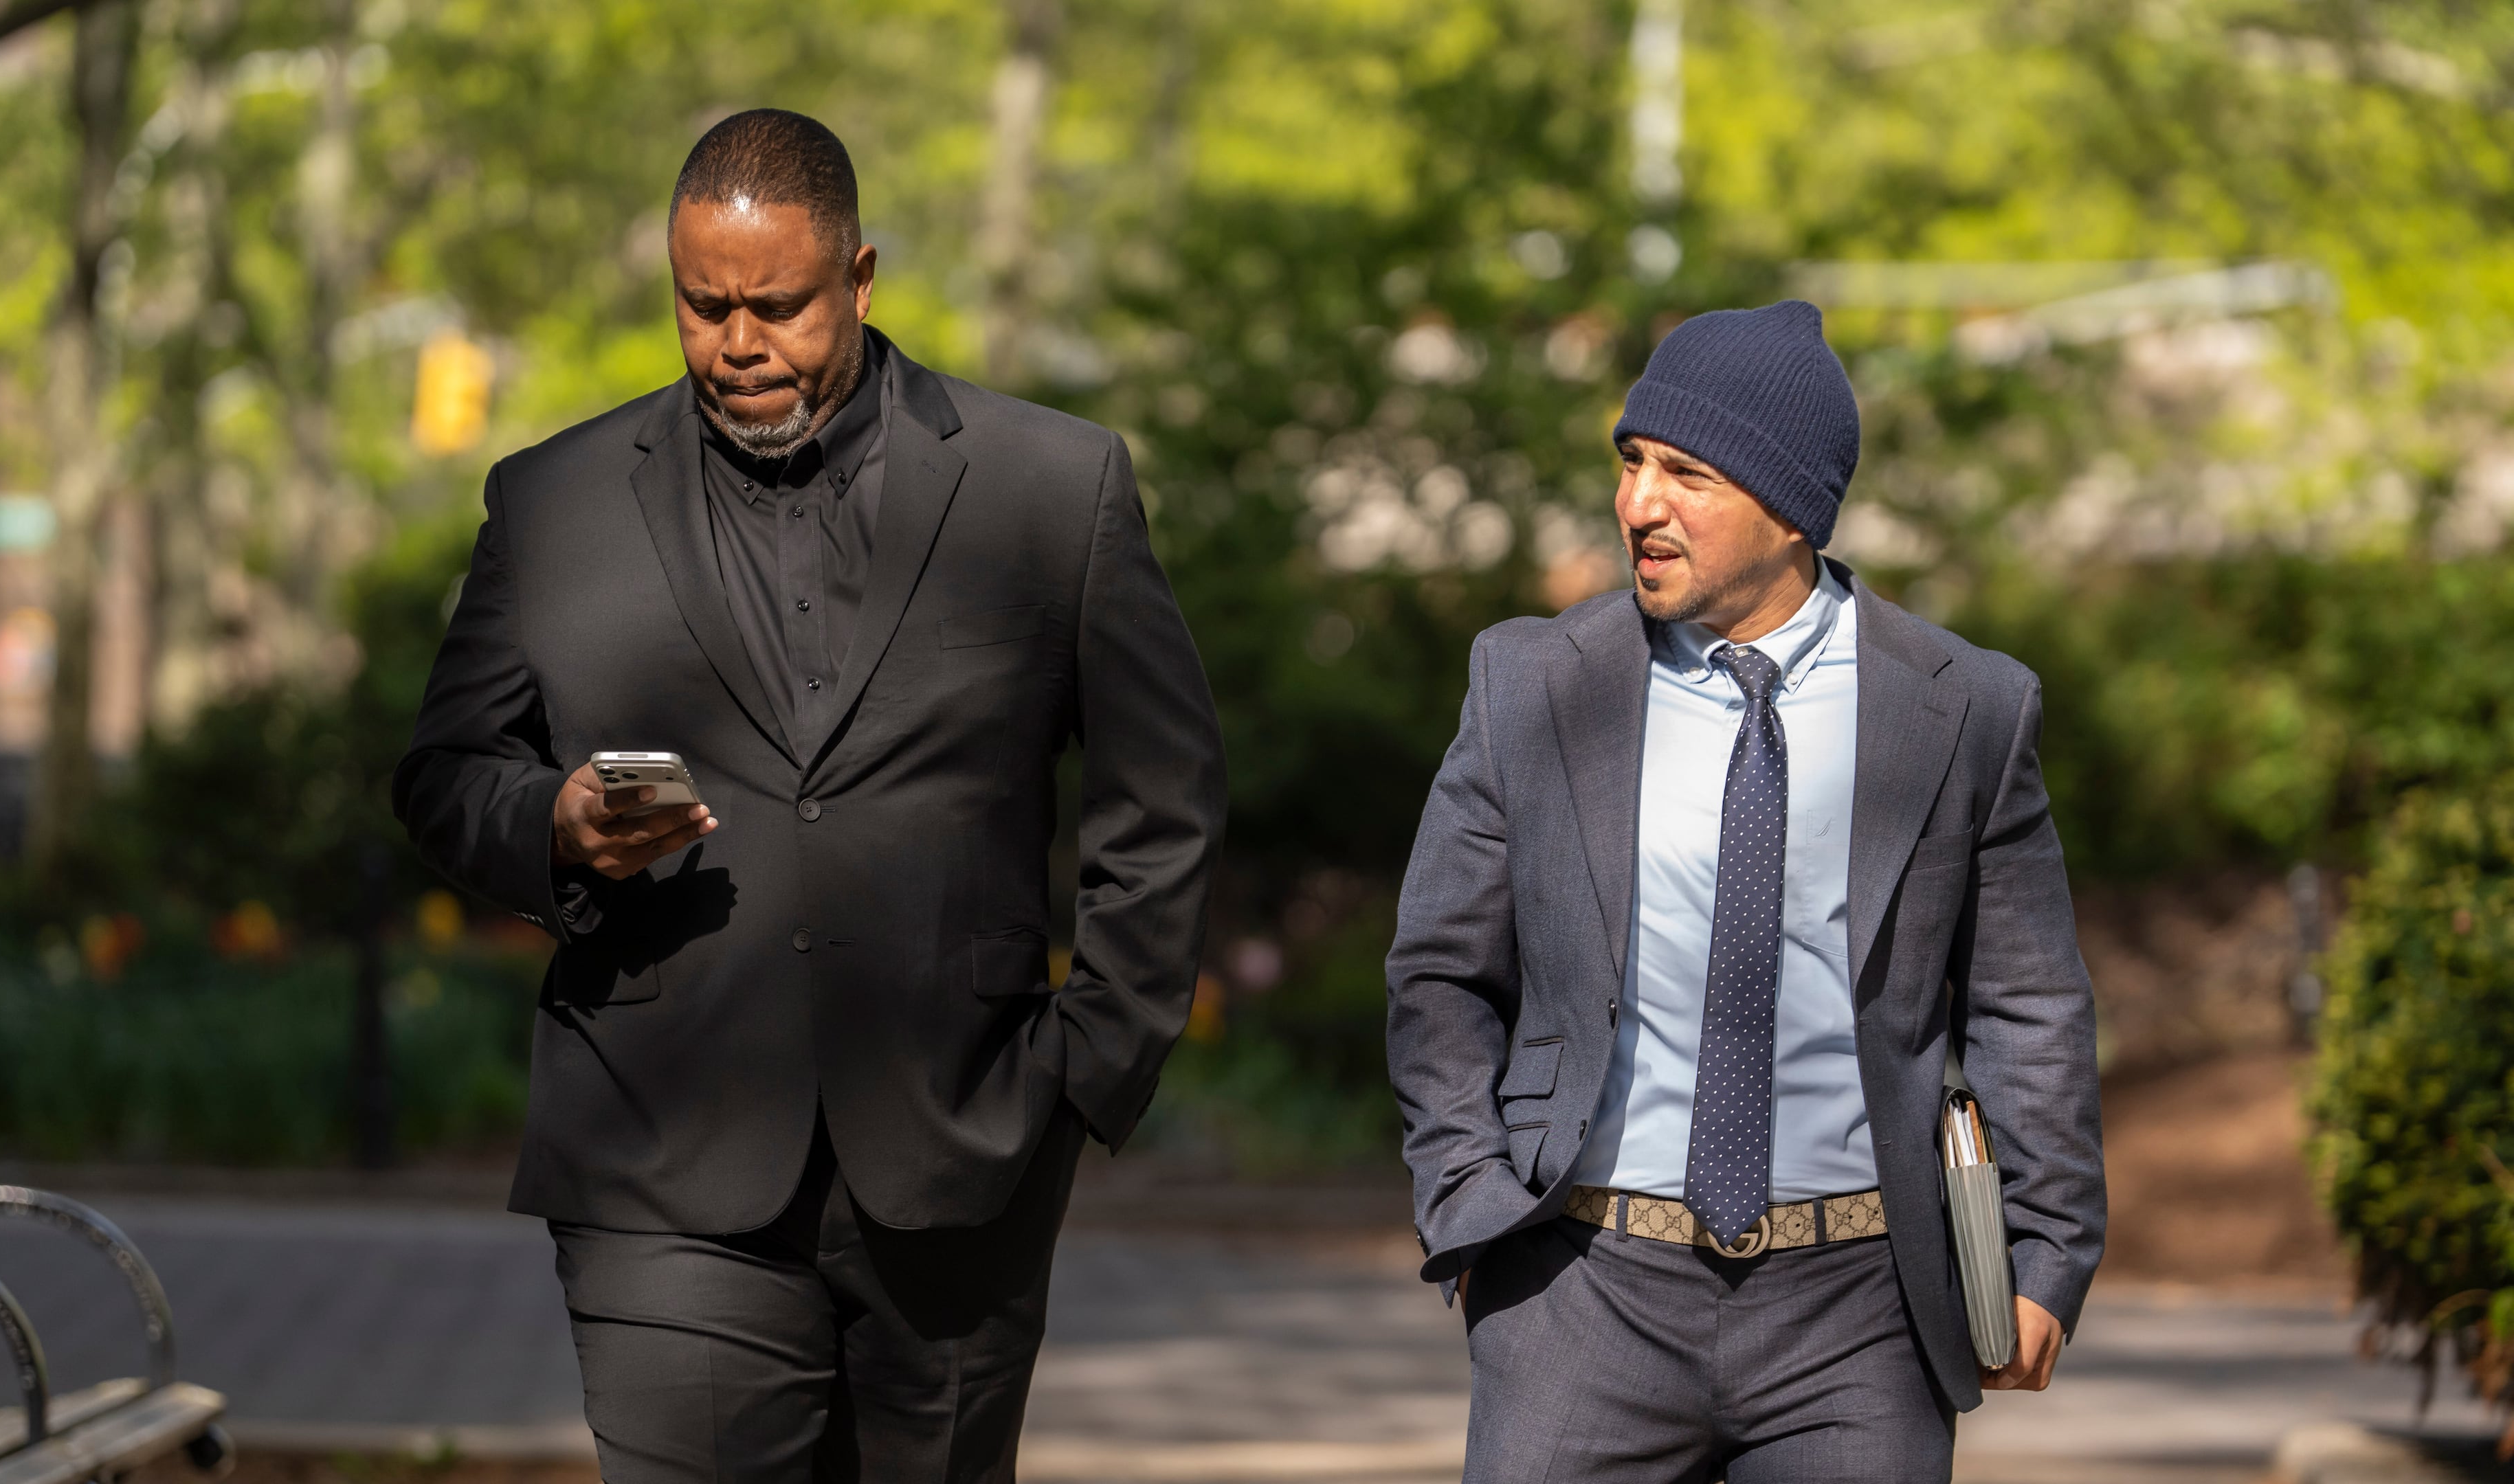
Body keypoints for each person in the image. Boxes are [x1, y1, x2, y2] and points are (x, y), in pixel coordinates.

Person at [393, 109, 1225, 1483]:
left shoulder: (1050, 488)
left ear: (860, 276)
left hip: (966, 1153)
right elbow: (444, 774)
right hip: (658, 1150)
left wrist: (1092, 1065)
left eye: (775, 305)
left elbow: (1164, 788)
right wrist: (551, 823)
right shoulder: (554, 504)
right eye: (701, 304)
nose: (737, 341)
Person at [1386, 300, 2103, 1483]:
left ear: (1790, 510)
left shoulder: (1966, 707)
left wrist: (2047, 1252)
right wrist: (1468, 1197)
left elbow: (2031, 1006)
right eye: (1630, 463)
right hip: (1579, 1295)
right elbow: (1441, 973)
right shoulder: (1530, 685)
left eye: (1686, 473)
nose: (1638, 505)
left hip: (1860, 1319)